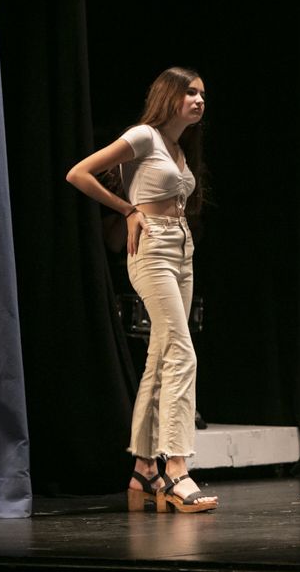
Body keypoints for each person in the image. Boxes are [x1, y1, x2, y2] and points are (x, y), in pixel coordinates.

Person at [67, 67, 218, 513]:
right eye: (190, 92)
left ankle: (143, 469)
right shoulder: (144, 136)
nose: (198, 99)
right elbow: (79, 173)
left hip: (181, 250)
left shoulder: (177, 148)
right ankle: (176, 468)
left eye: (202, 94)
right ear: (168, 96)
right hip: (151, 248)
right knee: (180, 351)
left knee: (159, 356)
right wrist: (127, 209)